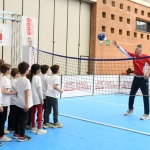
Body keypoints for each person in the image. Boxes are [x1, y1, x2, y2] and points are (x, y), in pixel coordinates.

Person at [113, 41, 150, 120]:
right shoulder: (133, 56)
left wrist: (148, 73)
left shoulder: (146, 57)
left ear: (140, 51)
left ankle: (146, 113)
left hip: (144, 79)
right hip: (136, 78)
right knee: (132, 94)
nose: (135, 51)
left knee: (145, 96)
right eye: (135, 49)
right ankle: (130, 109)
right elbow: (125, 51)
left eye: (136, 49)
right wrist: (117, 46)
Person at [13, 61, 33, 142]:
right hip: (24, 103)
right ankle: (22, 135)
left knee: (18, 119)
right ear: (27, 70)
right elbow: (26, 92)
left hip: (18, 102)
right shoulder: (26, 81)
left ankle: (16, 133)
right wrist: (27, 104)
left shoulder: (18, 80)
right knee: (23, 120)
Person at [0, 64, 16, 142]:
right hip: (4, 102)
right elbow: (5, 91)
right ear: (7, 70)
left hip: (1, 101)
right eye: (10, 69)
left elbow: (4, 90)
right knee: (2, 120)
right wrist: (14, 92)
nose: (11, 70)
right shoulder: (6, 80)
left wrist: (9, 91)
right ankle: (1, 136)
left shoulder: (1, 77)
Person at [30, 64, 47, 134]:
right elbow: (39, 89)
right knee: (40, 112)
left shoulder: (32, 77)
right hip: (37, 98)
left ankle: (33, 127)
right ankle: (39, 128)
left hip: (32, 98)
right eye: (39, 69)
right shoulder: (37, 78)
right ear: (37, 70)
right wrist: (41, 98)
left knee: (33, 112)